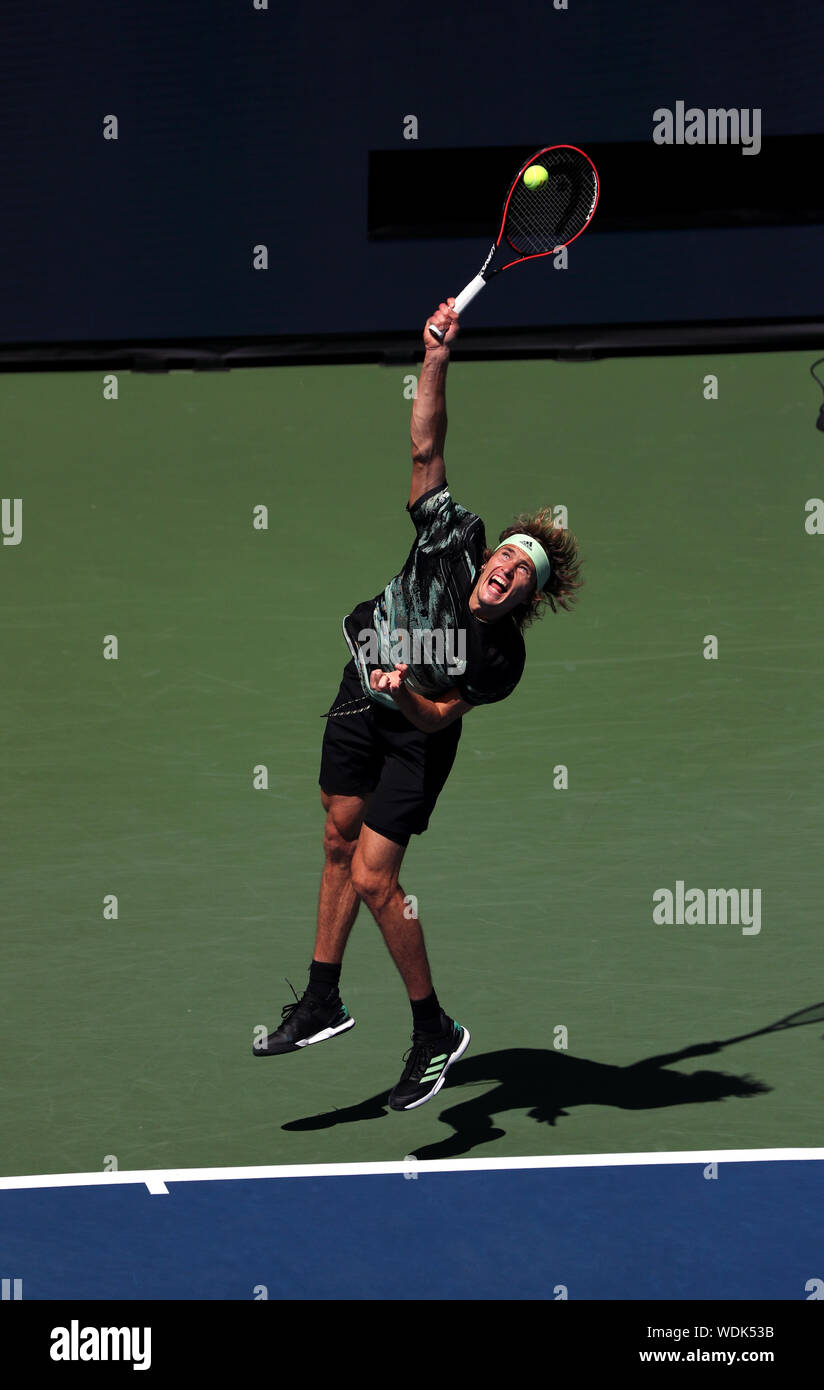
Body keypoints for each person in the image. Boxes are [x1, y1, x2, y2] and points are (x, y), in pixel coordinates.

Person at [254, 298, 583, 1111]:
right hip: (360, 687)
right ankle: (324, 1000)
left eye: (522, 574)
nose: (505, 570)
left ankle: (433, 1028)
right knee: (336, 835)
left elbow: (439, 722)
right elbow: (426, 444)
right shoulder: (449, 535)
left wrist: (408, 696)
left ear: (525, 598)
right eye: (507, 555)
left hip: (416, 733)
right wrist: (435, 355)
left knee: (374, 878)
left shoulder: (501, 659)